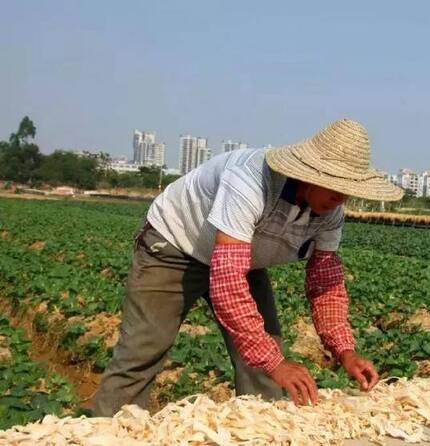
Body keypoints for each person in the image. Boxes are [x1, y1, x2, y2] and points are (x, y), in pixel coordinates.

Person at [93, 118, 403, 416]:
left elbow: (325, 282)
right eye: (333, 184)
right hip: (175, 248)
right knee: (143, 350)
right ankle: (110, 431)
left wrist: (344, 351)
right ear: (310, 174)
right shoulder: (250, 180)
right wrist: (274, 362)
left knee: (265, 359)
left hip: (243, 258)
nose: (340, 196)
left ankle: (260, 431)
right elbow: (227, 281)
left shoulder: (331, 212)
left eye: (347, 187)